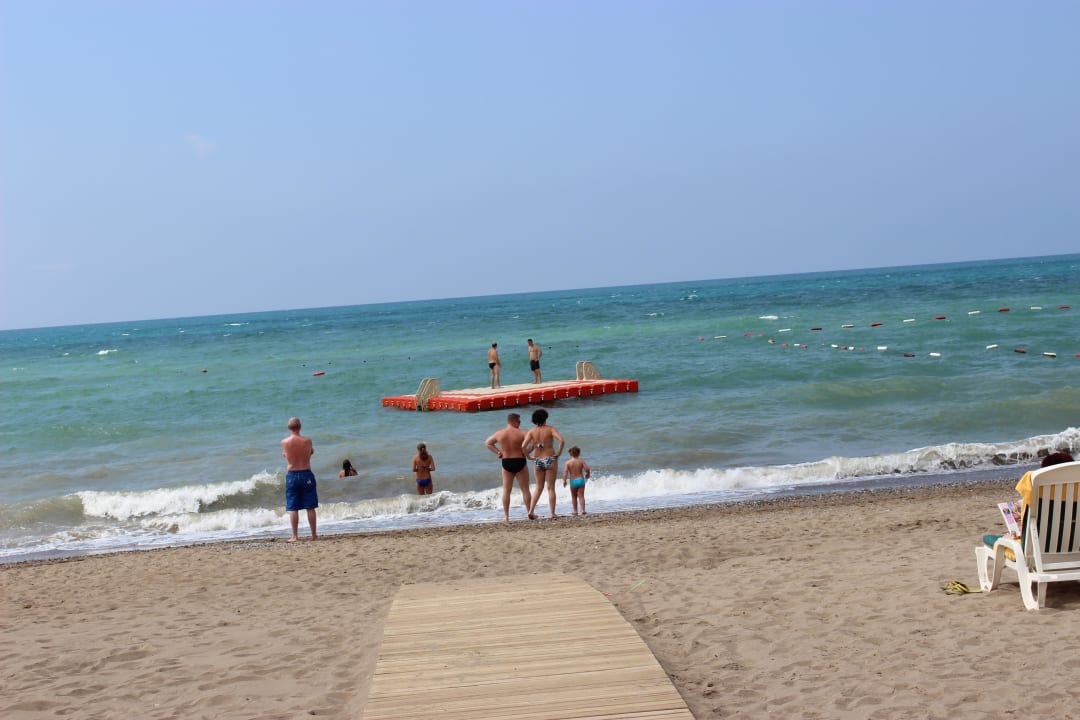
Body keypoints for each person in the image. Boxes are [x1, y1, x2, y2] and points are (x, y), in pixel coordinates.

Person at [983, 450, 1074, 548]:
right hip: (1072, 545)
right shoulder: (1075, 497)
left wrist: (1010, 537)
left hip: (1038, 549)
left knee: (988, 538)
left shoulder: (1040, 500)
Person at [485, 413, 534, 523]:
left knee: (506, 490)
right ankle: (530, 512)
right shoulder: (522, 433)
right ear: (515, 421)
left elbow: (488, 443)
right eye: (519, 421)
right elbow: (533, 443)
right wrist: (527, 452)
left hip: (506, 462)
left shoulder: (500, 433)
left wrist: (498, 452)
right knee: (525, 489)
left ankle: (506, 516)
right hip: (520, 460)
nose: (520, 423)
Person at [281, 417, 317, 542]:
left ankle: (295, 536)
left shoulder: (284, 442)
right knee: (310, 506)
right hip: (306, 474)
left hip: (292, 474)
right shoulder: (307, 441)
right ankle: (313, 535)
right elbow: (311, 452)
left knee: (293, 507)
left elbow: (286, 455)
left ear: (289, 428)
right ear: (300, 427)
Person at [523, 408, 564, 519]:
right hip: (550, 459)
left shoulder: (531, 432)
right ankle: (552, 513)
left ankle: (531, 511)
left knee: (538, 488)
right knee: (550, 488)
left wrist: (528, 457)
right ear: (545, 418)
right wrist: (559, 453)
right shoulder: (550, 429)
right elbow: (561, 440)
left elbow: (523, 447)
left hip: (537, 460)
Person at [562, 446, 591, 516]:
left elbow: (565, 472)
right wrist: (588, 474)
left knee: (574, 496)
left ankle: (575, 511)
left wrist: (564, 480)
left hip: (573, 481)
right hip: (580, 480)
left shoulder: (568, 463)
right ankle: (583, 510)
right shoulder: (581, 461)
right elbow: (587, 469)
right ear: (579, 453)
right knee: (581, 496)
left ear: (570, 454)